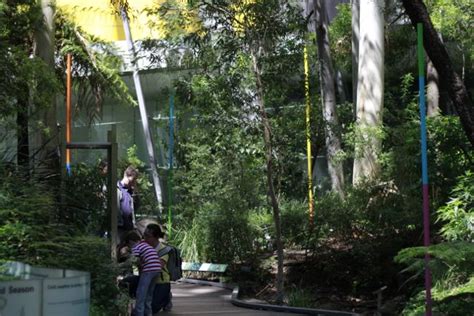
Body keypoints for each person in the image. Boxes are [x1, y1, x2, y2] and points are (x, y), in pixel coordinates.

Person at [124, 231, 162, 316]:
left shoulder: (136, 247)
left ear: (130, 242)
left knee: (140, 294)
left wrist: (122, 265)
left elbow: (134, 260)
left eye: (128, 245)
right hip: (157, 269)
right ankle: (148, 313)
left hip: (148, 270)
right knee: (149, 295)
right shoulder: (146, 245)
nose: (130, 248)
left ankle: (139, 314)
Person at [144, 224, 173, 314]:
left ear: (156, 237)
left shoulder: (163, 251)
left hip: (161, 282)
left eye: (147, 236)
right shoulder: (144, 246)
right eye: (144, 235)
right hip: (147, 280)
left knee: (151, 309)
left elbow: (157, 267)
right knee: (127, 281)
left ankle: (166, 298)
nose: (145, 238)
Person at [118, 166, 139, 244]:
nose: (132, 183)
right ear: (126, 175)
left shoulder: (131, 191)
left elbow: (136, 207)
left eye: (134, 181)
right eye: (132, 180)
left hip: (129, 227)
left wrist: (135, 193)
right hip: (119, 228)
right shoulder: (117, 189)